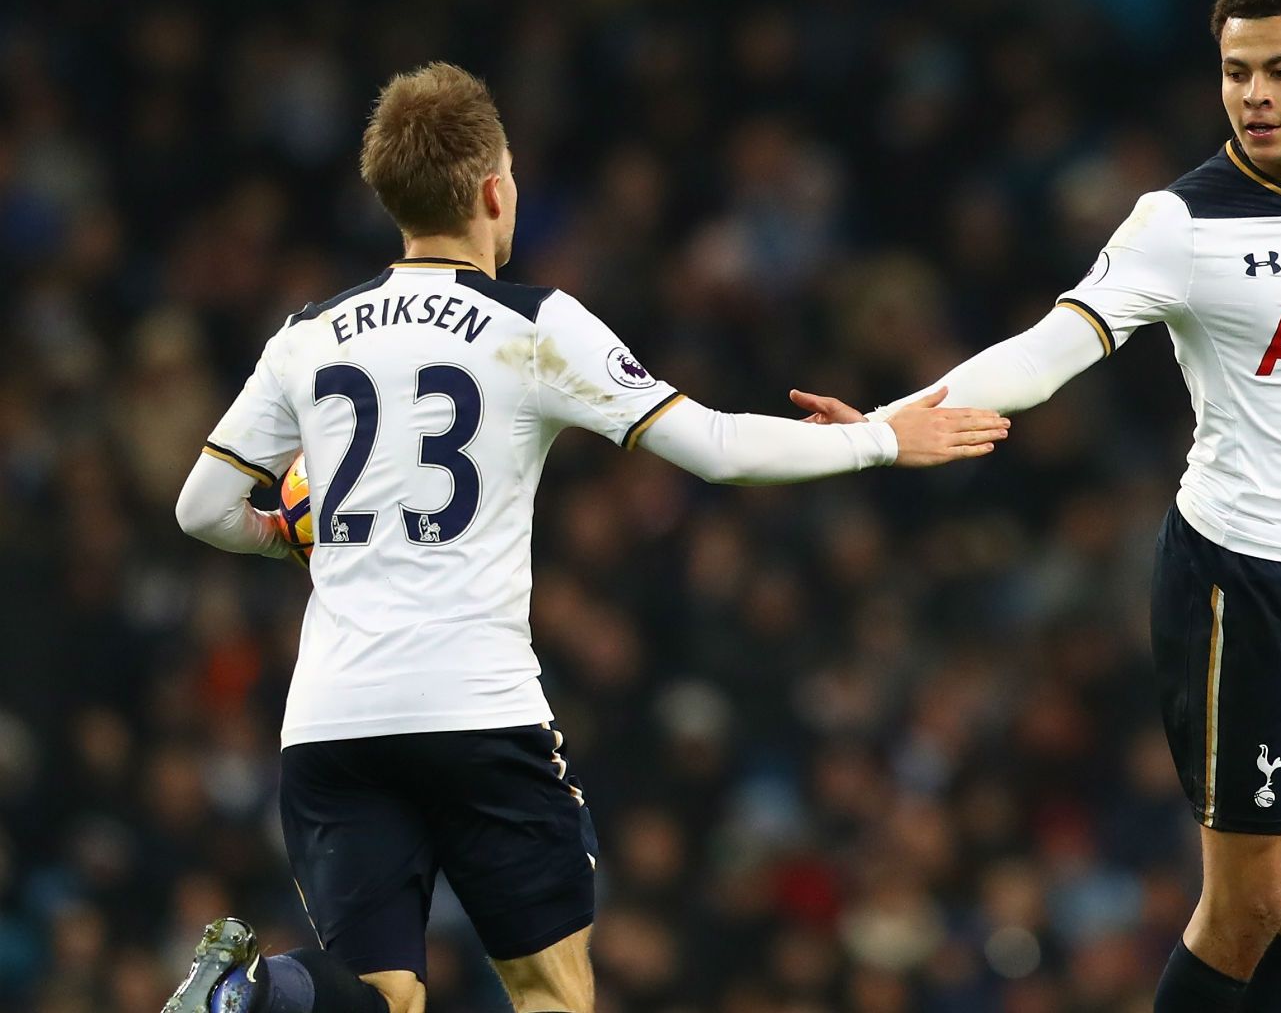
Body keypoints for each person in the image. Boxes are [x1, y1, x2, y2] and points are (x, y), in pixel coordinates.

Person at [165, 62, 1008, 1013]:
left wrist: (297, 535)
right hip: (475, 709)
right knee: (552, 991)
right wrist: (882, 440)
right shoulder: (529, 325)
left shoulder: (307, 336)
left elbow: (203, 506)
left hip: (331, 722)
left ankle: (254, 991)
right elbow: (719, 449)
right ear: (493, 188)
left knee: (380, 1001)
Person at [793, 0, 1281, 1012]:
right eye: (1234, 72)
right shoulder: (1180, 225)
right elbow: (1051, 347)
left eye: (1278, 69)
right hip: (1243, 585)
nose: (1254, 94)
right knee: (1249, 904)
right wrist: (905, 415)